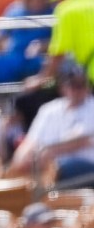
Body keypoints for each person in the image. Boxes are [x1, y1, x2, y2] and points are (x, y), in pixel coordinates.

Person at [8, 60, 94, 188]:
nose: (77, 89)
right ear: (62, 87)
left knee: (61, 168)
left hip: (86, 172)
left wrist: (48, 152)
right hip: (46, 171)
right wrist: (19, 161)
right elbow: (30, 142)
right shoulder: (48, 110)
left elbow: (85, 140)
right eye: (72, 84)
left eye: (81, 84)